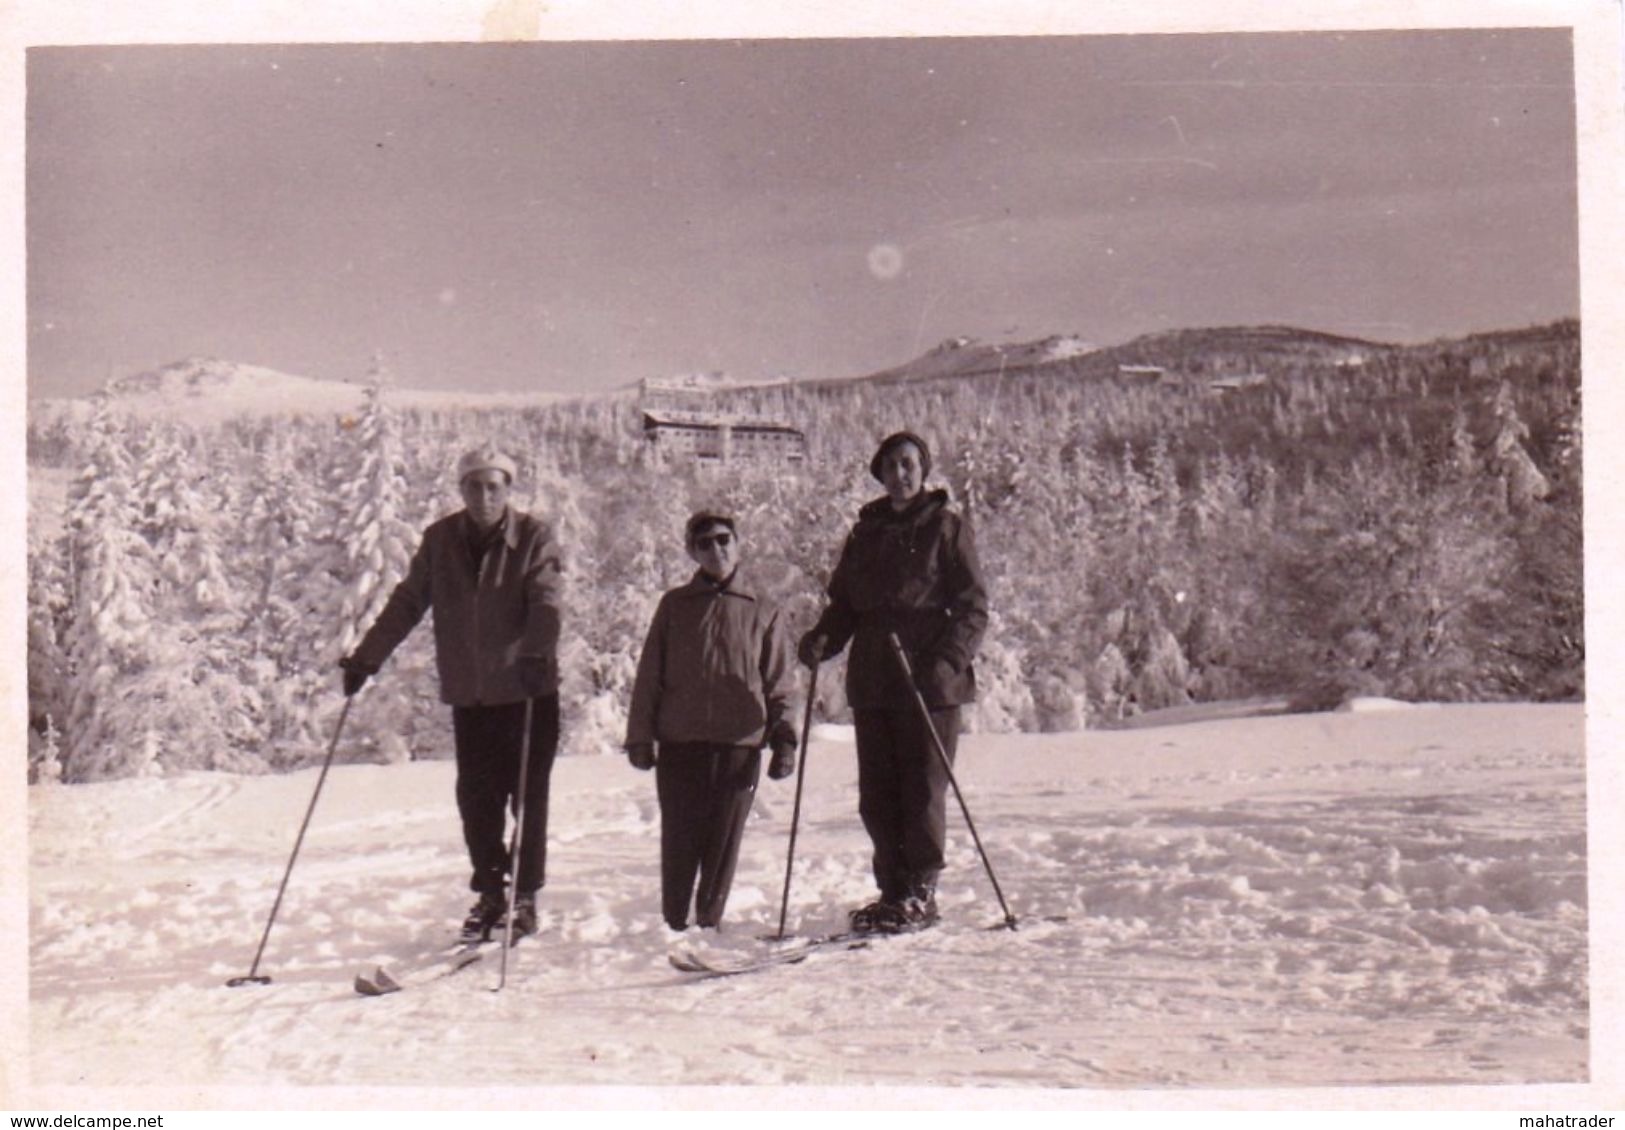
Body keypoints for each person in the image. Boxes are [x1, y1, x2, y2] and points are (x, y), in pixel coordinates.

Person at [339, 446, 563, 942]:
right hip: (473, 697)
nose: (483, 496)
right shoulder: (441, 541)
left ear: (508, 490)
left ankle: (523, 898)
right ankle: (490, 893)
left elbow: (546, 600)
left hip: (528, 692)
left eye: (494, 487)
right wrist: (367, 657)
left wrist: (536, 651)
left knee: (528, 799)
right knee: (476, 802)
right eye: (474, 486)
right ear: (461, 490)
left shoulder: (532, 537)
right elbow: (407, 602)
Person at [798, 431, 988, 935]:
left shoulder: (946, 527)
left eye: (908, 464)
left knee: (922, 789)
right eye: (890, 466)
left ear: (922, 470)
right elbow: (845, 606)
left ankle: (921, 892)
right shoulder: (866, 533)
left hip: (929, 683)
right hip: (875, 679)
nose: (900, 475)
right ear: (879, 473)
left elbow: (972, 607)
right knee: (878, 794)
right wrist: (823, 640)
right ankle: (893, 892)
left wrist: (945, 660)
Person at [624, 510, 800, 933]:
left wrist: (786, 738)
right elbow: (650, 673)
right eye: (704, 543)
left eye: (723, 539)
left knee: (722, 842)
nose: (715, 549)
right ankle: (672, 927)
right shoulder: (675, 606)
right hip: (680, 741)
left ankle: (708, 924)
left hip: (739, 742)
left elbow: (780, 682)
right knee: (680, 840)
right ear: (692, 551)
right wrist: (639, 736)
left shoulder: (763, 609)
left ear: (738, 543)